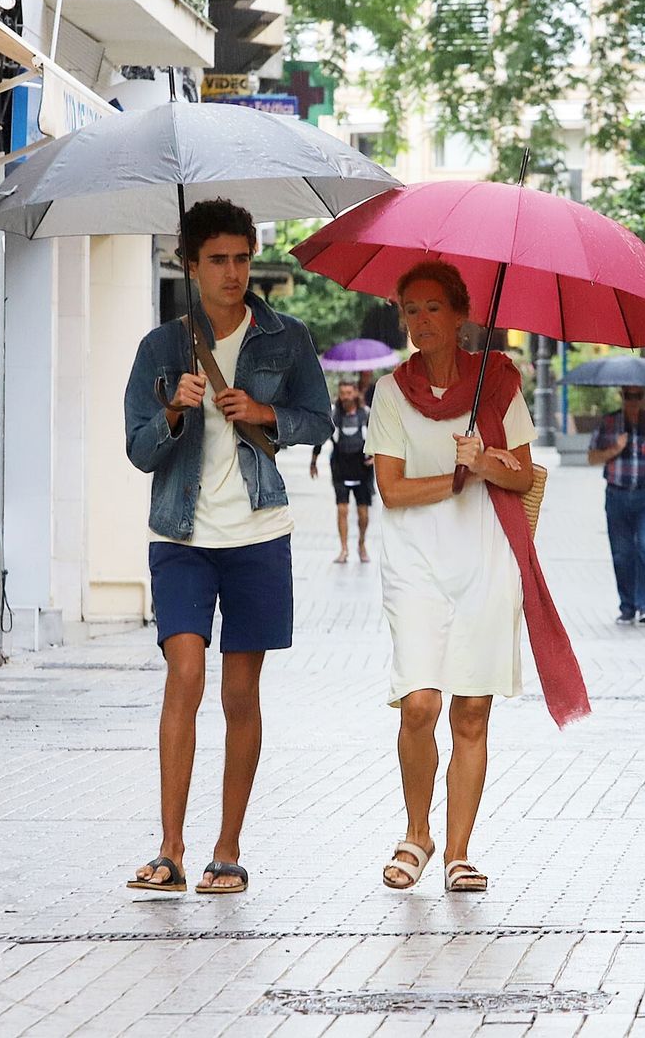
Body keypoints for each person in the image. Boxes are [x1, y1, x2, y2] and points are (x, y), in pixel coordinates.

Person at [122, 198, 332, 894]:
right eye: (218, 260)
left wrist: (265, 411)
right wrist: (174, 409)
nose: (233, 272)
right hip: (180, 534)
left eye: (242, 258)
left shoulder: (287, 338)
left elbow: (318, 420)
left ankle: (227, 849)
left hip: (258, 533)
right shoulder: (160, 348)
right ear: (191, 264)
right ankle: (170, 849)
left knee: (241, 693)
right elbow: (139, 450)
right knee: (185, 675)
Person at [365, 260, 589, 894]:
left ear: (461, 315)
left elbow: (521, 473)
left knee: (470, 709)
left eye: (433, 307)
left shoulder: (499, 384)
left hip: (488, 557)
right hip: (415, 561)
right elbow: (392, 489)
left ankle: (458, 852)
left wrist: (486, 461)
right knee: (419, 703)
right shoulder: (390, 392)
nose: (421, 320)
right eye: (410, 309)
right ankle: (417, 833)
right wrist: (458, 476)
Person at [587, 386, 645, 625]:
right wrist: (614, 449)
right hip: (616, 495)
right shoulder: (608, 424)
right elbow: (592, 457)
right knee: (621, 553)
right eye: (629, 396)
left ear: (643, 397)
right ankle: (627, 606)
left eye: (638, 396)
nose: (633, 401)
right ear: (622, 396)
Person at [310, 381, 375, 563]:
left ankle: (361, 544)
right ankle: (344, 549)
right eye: (343, 393)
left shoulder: (366, 414)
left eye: (349, 393)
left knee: (363, 513)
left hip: (362, 468)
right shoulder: (333, 416)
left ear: (356, 393)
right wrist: (314, 461)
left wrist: (376, 457)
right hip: (340, 467)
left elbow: (380, 436)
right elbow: (321, 438)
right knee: (342, 509)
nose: (346, 397)